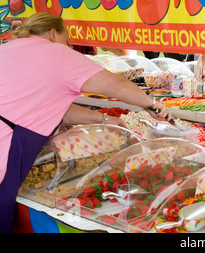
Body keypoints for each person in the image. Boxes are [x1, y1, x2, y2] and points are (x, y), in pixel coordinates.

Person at [0, 12, 172, 233]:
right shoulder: (55, 53)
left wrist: (104, 119)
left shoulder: (10, 49)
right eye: (67, 41)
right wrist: (152, 105)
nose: (68, 46)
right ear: (53, 34)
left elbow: (55, 111)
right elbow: (116, 85)